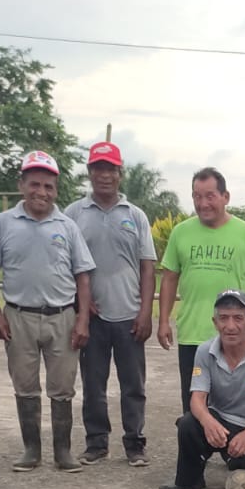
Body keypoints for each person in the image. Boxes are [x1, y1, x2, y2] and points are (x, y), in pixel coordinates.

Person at [0, 150, 96, 474]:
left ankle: (63, 451)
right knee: (25, 385)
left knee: (62, 387)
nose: (41, 192)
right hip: (19, 317)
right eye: (34, 184)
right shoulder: (3, 224)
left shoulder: (67, 226)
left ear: (56, 190)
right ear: (22, 185)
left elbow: (83, 276)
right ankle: (31, 449)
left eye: (48, 186)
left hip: (62, 317)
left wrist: (82, 319)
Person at [64, 141, 156, 467]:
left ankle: (135, 444)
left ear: (120, 174)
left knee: (134, 386)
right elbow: (64, 263)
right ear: (90, 173)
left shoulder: (135, 215)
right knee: (93, 385)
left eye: (110, 169)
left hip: (129, 315)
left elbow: (147, 267)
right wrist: (80, 302)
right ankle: (96, 443)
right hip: (93, 318)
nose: (104, 175)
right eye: (98, 168)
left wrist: (146, 312)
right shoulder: (73, 214)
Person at [157, 167, 245, 414]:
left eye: (210, 196)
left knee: (236, 407)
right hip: (192, 335)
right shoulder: (181, 232)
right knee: (193, 407)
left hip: (234, 335)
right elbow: (169, 278)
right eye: (197, 196)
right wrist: (163, 320)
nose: (203, 203)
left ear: (225, 197)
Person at [159, 290, 245, 489]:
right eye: (224, 318)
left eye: (238, 318)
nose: (230, 326)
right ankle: (189, 479)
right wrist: (208, 422)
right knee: (188, 424)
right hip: (221, 421)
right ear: (215, 322)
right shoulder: (204, 351)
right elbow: (197, 398)